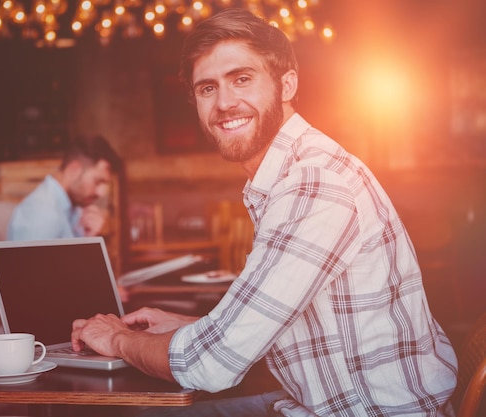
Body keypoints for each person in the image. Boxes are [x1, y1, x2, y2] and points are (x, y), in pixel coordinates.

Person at [70, 8, 458, 417]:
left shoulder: (315, 184)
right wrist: (193, 325)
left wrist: (116, 340)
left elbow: (211, 365)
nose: (224, 103)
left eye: (242, 79)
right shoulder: (293, 171)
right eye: (207, 88)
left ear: (286, 84)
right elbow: (281, 323)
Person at [7, 134, 122, 241]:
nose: (102, 193)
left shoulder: (74, 210)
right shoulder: (43, 214)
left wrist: (89, 240)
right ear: (74, 170)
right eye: (97, 182)